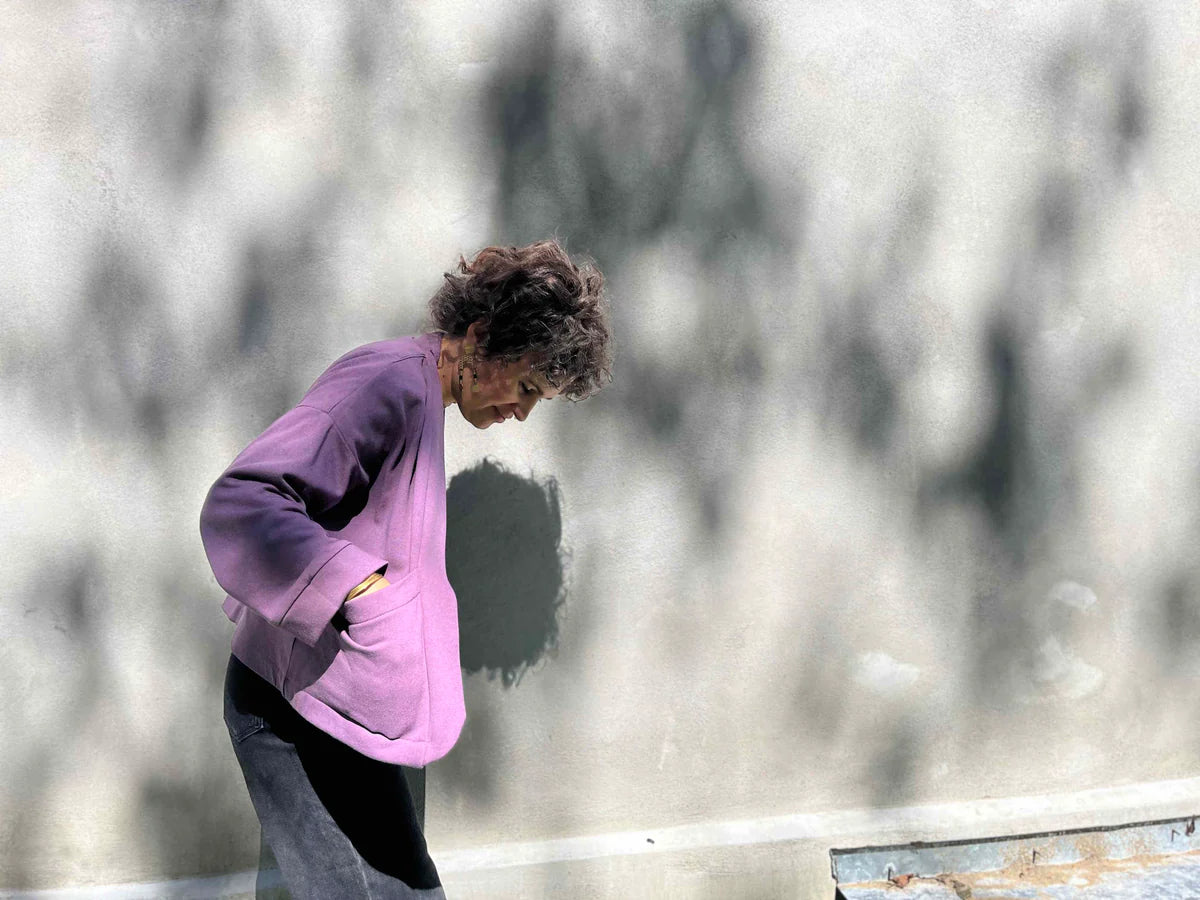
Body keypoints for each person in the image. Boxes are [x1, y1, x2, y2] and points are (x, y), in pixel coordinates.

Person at [200, 240, 612, 898]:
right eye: (527, 386)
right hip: (291, 711)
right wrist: (359, 589)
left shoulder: (422, 396)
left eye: (541, 399)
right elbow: (243, 502)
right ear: (482, 337)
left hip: (335, 711)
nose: (522, 412)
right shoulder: (384, 384)